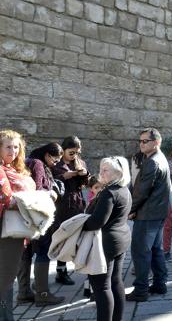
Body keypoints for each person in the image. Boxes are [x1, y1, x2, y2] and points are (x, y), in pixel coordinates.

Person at [83, 156, 132, 321]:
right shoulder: (123, 188)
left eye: (106, 170)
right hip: (120, 239)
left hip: (106, 243)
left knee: (102, 287)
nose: (101, 173)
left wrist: (77, 224)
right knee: (115, 282)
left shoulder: (109, 192)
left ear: (118, 173)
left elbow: (97, 222)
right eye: (101, 169)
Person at [126, 128, 172, 302]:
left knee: (141, 252)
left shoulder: (153, 161)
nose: (141, 144)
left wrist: (130, 210)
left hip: (147, 215)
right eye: (140, 141)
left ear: (156, 142)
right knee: (155, 250)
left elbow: (142, 192)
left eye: (145, 141)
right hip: (157, 213)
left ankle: (141, 290)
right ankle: (160, 284)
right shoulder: (159, 159)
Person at [17, 143, 65, 306]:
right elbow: (37, 189)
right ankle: (43, 294)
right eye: (55, 159)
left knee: (26, 253)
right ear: (46, 154)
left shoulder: (28, 161)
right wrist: (51, 192)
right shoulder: (38, 164)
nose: (56, 162)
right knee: (43, 251)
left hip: (26, 217)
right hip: (39, 215)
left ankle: (24, 292)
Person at [0, 130, 37, 321]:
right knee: (4, 280)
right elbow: (5, 199)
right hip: (4, 232)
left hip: (15, 230)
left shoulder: (14, 169)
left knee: (8, 278)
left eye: (16, 147)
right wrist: (26, 202)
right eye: (8, 146)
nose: (13, 151)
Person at [53, 135, 90, 285]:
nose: (74, 155)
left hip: (77, 203)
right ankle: (61, 272)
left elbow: (86, 183)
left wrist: (84, 174)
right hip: (62, 205)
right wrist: (63, 176)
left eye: (77, 152)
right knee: (64, 238)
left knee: (79, 238)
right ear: (64, 150)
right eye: (71, 152)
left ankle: (81, 267)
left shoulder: (79, 162)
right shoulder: (56, 163)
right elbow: (51, 181)